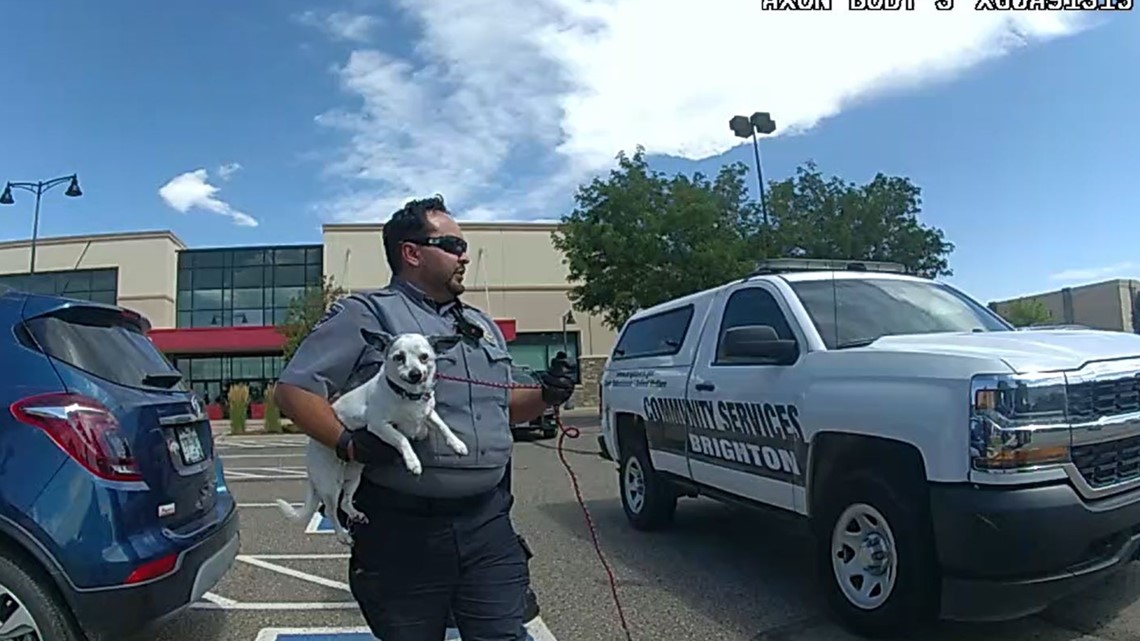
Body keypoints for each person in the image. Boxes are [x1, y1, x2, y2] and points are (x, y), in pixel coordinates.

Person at [273, 195, 576, 641]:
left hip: (487, 524)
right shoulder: (367, 314)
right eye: (452, 245)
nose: (464, 256)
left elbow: (503, 405)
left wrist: (548, 394)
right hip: (404, 532)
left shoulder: (481, 325)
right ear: (411, 253)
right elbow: (294, 390)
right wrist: (348, 444)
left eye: (463, 246)